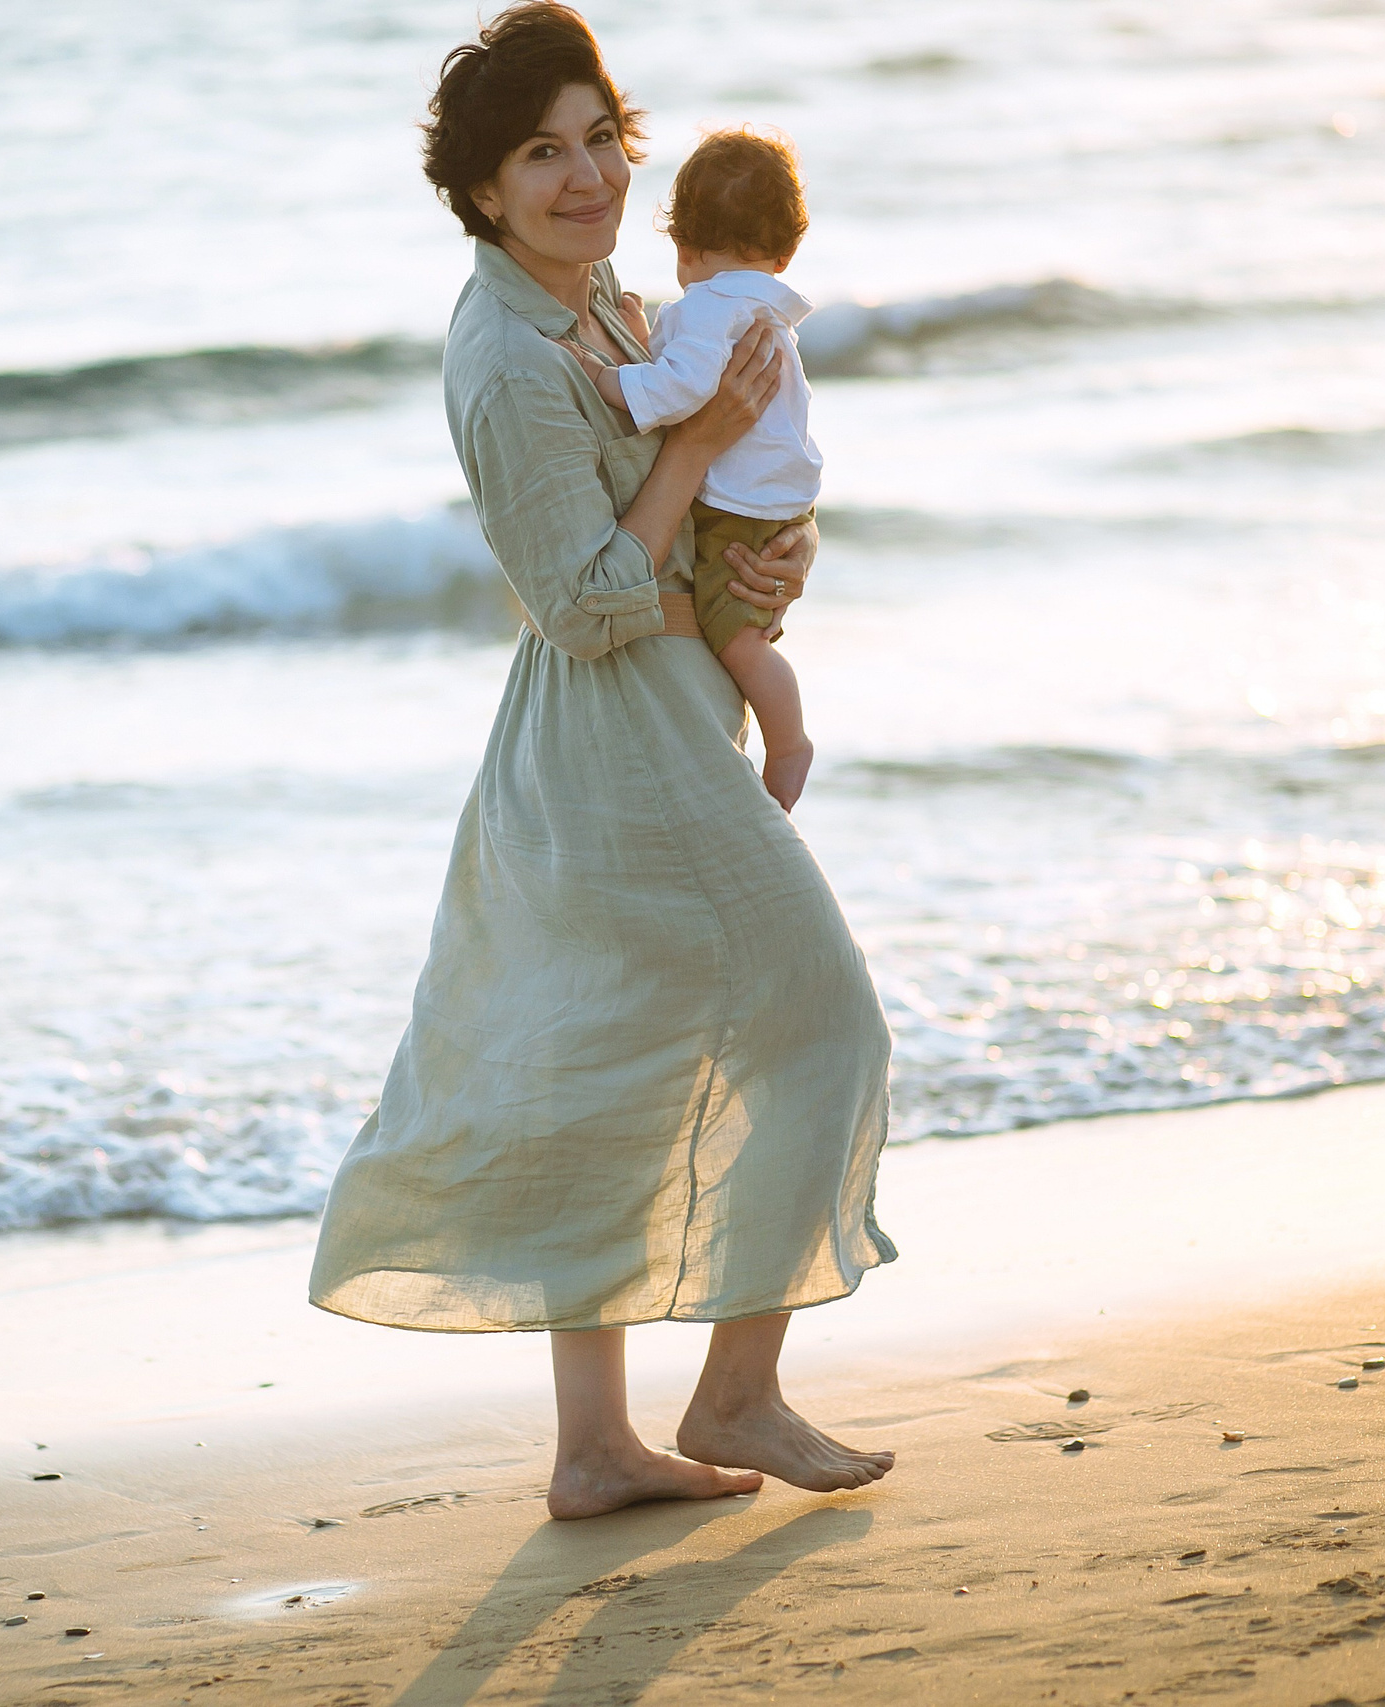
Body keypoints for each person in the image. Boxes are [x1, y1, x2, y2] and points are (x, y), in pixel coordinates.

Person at [307, 1, 898, 1522]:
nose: (585, 177)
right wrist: (700, 460)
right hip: (611, 732)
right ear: (482, 192)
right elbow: (576, 601)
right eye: (540, 155)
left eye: (599, 141)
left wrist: (761, 559)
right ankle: (738, 1389)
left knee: (619, 1068)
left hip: (664, 708)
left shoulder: (607, 302)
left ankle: (592, 1448)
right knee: (823, 1015)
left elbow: (688, 510)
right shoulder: (509, 357)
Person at [564, 129, 823, 812]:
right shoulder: (764, 307)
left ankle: (789, 739)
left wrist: (606, 375)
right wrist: (648, 341)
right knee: (749, 620)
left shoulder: (708, 307)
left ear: (683, 246)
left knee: (737, 640)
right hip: (780, 502)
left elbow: (678, 393)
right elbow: (696, 378)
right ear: (785, 250)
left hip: (738, 507)